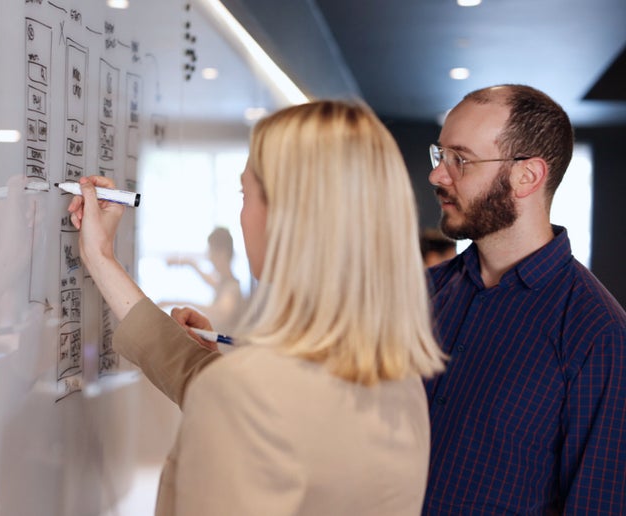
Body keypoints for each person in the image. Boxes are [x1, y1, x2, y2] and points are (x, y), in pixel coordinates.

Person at [67, 100, 445, 515]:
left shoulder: (249, 393)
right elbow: (228, 387)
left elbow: (245, 398)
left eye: (245, 194)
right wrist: (101, 257)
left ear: (291, 215)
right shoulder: (398, 378)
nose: (242, 214)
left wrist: (231, 383)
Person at [424, 84, 626, 514]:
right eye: (440, 156)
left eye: (460, 159)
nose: (438, 175)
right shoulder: (421, 294)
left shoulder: (597, 334)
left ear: (527, 176)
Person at [158, 227, 244, 334]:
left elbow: (220, 313)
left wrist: (182, 304)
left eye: (212, 252)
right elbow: (209, 280)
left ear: (223, 253)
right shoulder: (224, 283)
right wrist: (189, 263)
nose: (210, 258)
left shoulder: (232, 287)